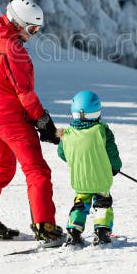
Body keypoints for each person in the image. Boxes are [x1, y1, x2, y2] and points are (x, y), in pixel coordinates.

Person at [0, 0, 65, 245]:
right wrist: (43, 122)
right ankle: (45, 226)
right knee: (37, 171)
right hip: (10, 119)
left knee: (2, 168)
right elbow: (24, 93)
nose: (34, 34)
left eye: (37, 29)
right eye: (32, 29)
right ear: (17, 23)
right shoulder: (13, 50)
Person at [57, 90, 122, 246]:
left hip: (80, 179)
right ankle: (102, 232)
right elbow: (112, 154)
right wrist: (115, 167)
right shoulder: (102, 131)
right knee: (103, 204)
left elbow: (62, 153)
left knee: (80, 203)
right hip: (101, 179)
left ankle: (74, 231)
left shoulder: (66, 134)